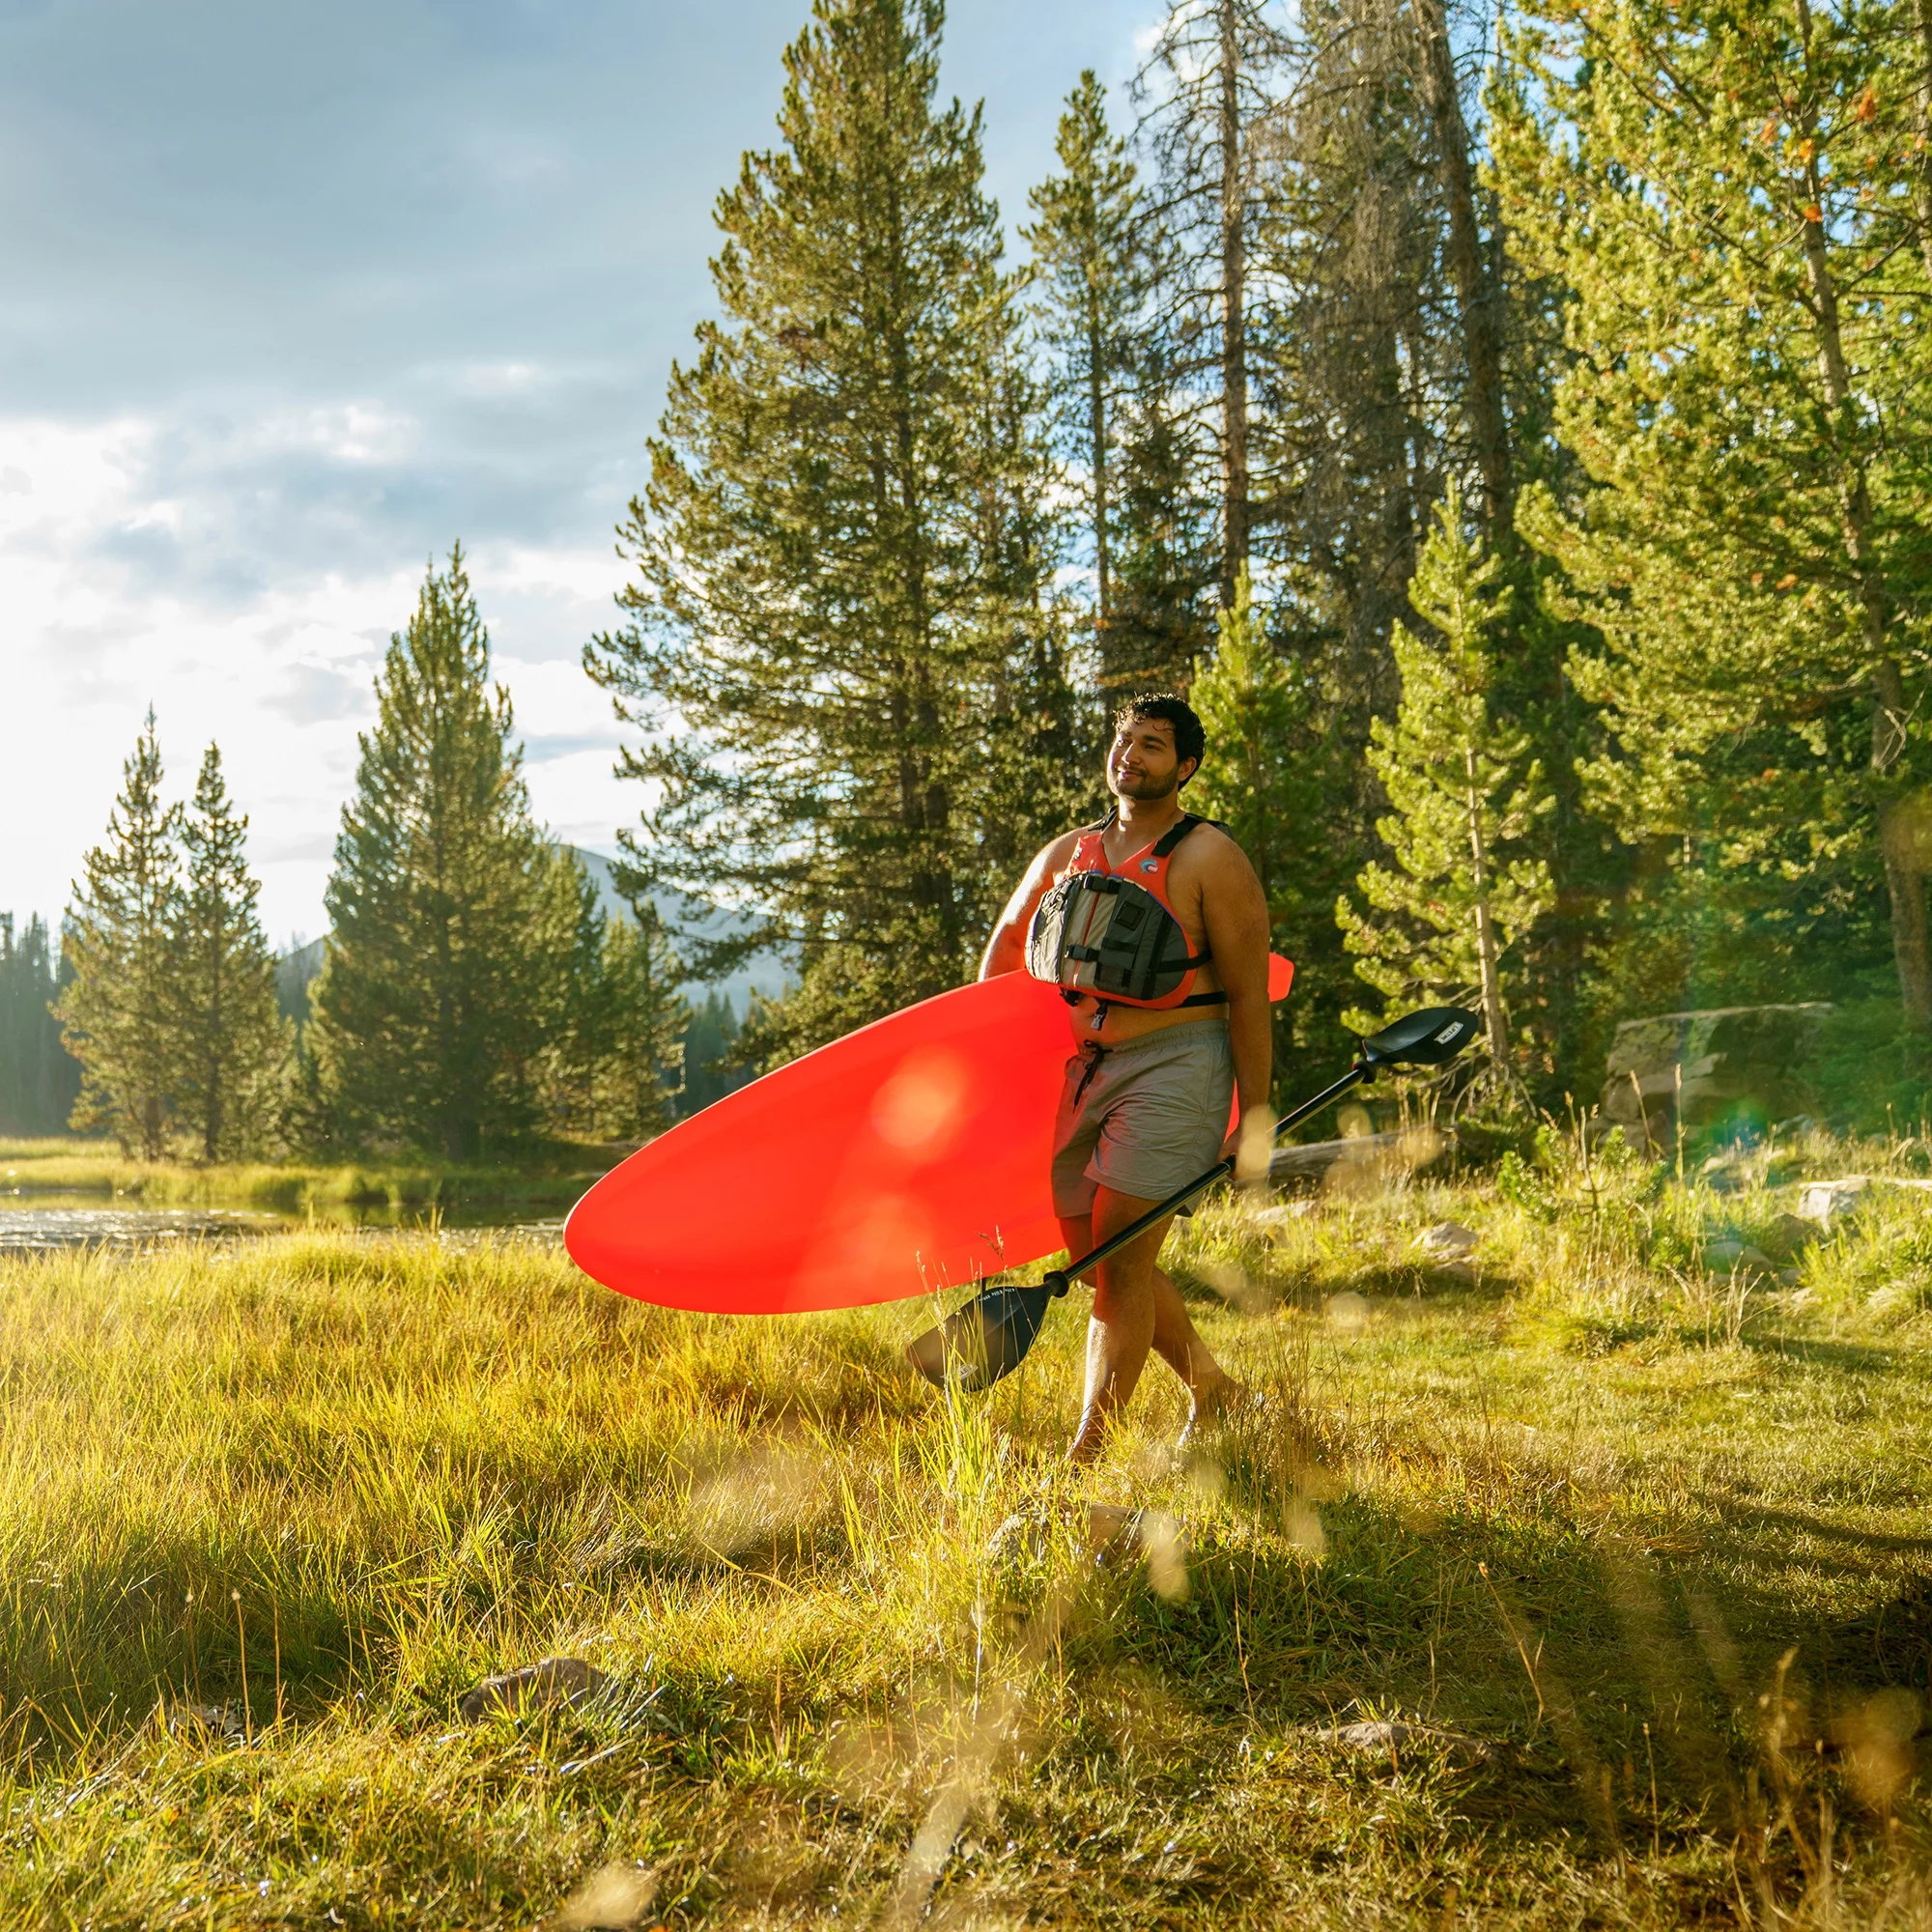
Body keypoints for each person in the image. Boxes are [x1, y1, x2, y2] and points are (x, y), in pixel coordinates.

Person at [977, 693, 1274, 1463]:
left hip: (1179, 1067)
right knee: (1101, 1262)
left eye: (1152, 745)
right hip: (1085, 1073)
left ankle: (1085, 1454)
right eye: (1124, 740)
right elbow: (1008, 947)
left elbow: (1249, 997)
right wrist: (993, 1064)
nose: (1130, 755)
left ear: (1186, 767)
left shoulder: (1210, 858)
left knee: (1120, 1261)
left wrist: (1257, 1117)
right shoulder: (1067, 854)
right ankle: (1217, 1392)